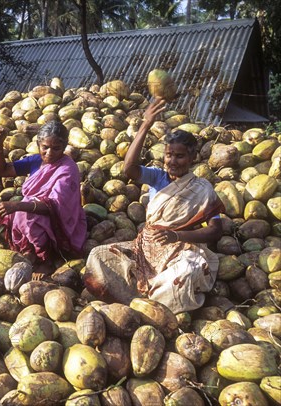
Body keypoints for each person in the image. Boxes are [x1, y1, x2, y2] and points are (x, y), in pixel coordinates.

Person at [83, 98, 225, 314]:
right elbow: (129, 168)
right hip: (145, 247)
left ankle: (151, 311)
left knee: (183, 274)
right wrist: (145, 125)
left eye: (180, 156)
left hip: (180, 249)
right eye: (169, 155)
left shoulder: (202, 188)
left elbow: (216, 230)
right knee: (98, 255)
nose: (173, 161)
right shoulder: (158, 176)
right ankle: (130, 302)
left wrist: (177, 236)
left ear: (192, 157)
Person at [0, 121, 88, 278]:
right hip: (30, 209)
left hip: (60, 219)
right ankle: (24, 247)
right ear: (38, 144)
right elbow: (1, 171)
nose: (49, 152)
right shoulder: (36, 161)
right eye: (45, 147)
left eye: (56, 148)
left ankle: (46, 259)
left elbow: (54, 206)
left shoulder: (67, 169)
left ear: (64, 147)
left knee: (27, 216)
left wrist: (17, 205)